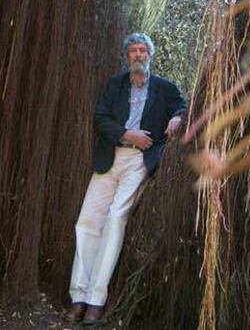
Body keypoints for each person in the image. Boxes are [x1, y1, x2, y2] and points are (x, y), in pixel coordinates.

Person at [66, 32, 186, 325]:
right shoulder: (114, 85)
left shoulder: (165, 88)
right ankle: (78, 296)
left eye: (142, 50)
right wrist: (125, 133)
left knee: (115, 218)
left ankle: (95, 300)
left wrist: (177, 118)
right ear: (126, 56)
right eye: (132, 50)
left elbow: (182, 106)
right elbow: (100, 116)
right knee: (87, 221)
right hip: (111, 156)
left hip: (139, 161)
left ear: (150, 55)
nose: (137, 55)